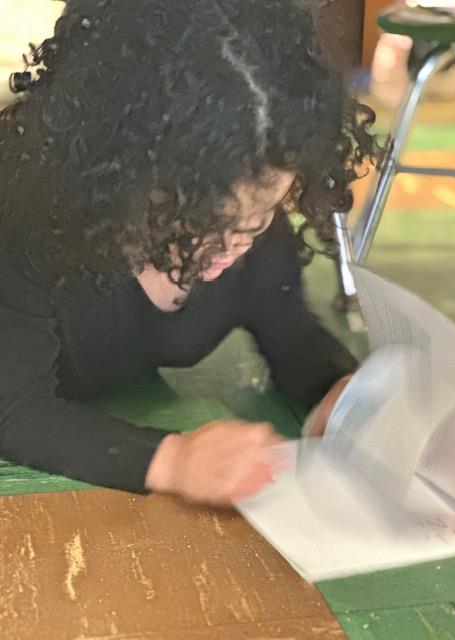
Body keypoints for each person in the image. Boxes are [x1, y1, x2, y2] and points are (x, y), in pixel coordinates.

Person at [0, 0, 375, 506]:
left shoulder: (253, 210)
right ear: (125, 176)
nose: (232, 249)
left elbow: (290, 333)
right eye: (200, 223)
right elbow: (16, 409)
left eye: (257, 218)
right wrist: (172, 460)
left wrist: (343, 391)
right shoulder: (30, 217)